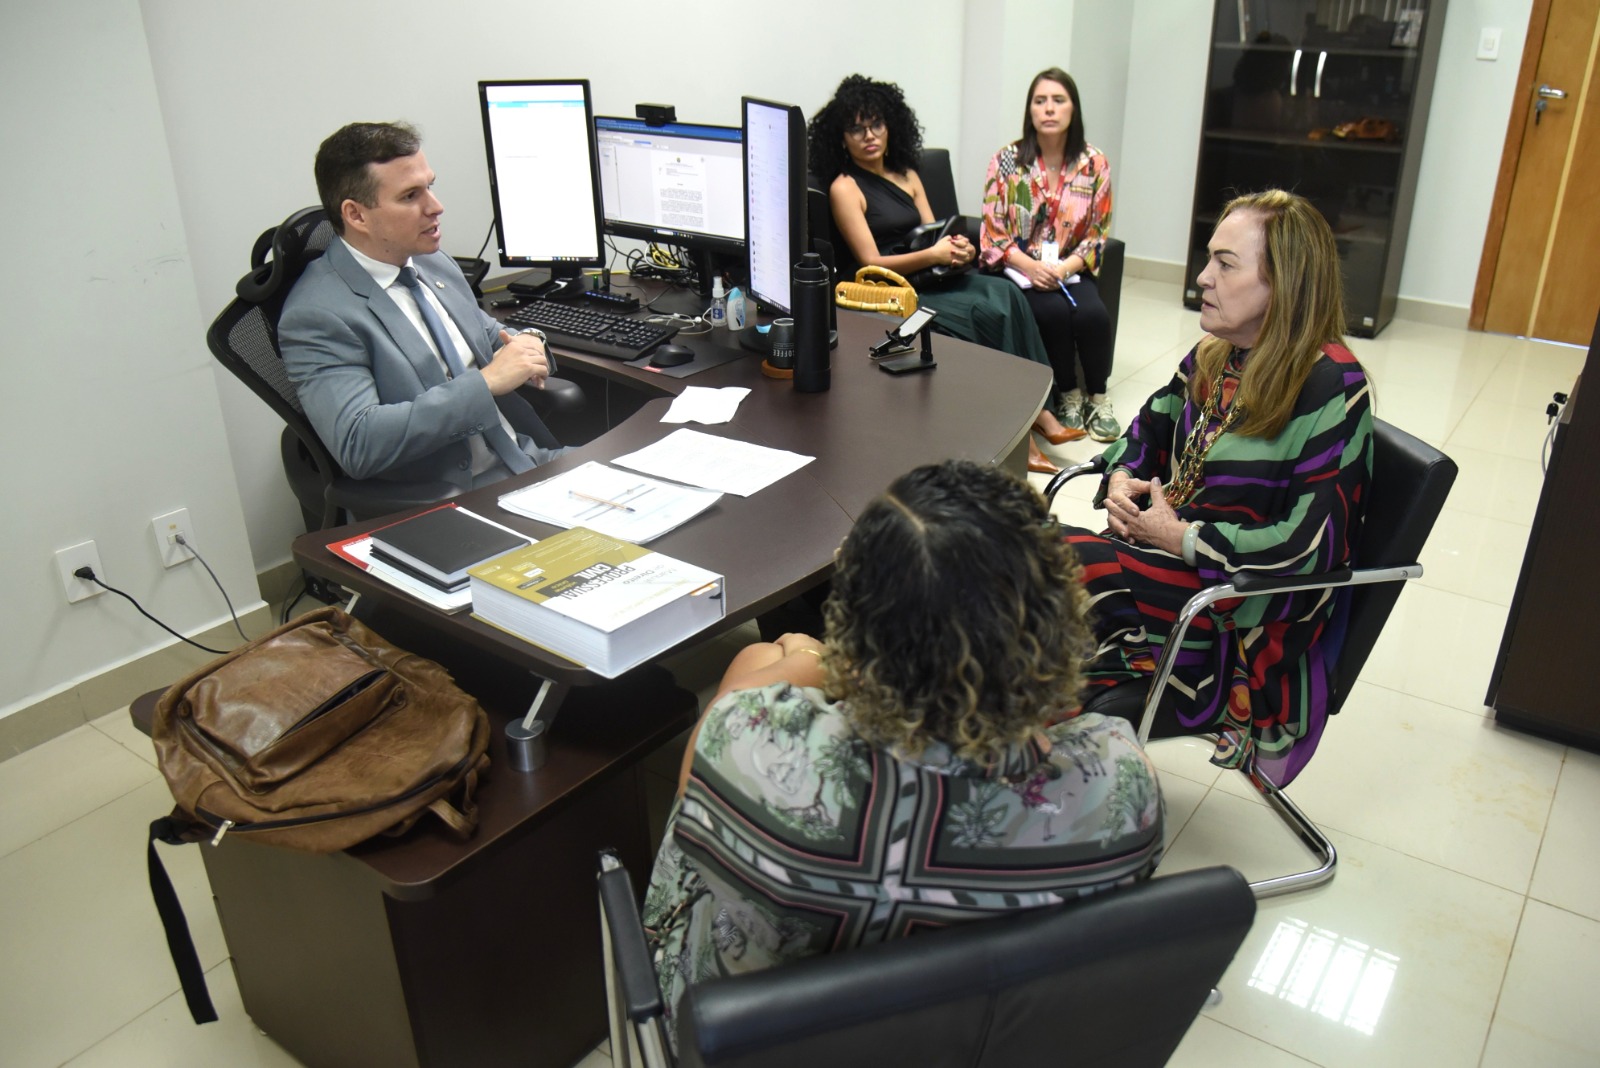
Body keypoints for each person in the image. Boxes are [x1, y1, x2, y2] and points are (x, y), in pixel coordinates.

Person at [643, 460, 1164, 1040]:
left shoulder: (750, 743)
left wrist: (810, 656)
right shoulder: (1125, 784)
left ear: (857, 629)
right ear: (1056, 627)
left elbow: (733, 705)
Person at [1062, 189, 1374, 786]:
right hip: (1166, 582)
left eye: (1225, 264)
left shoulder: (1332, 387)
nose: (1203, 277)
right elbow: (1145, 429)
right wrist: (1124, 477)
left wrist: (1180, 536)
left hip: (1240, 622)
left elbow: (1309, 550)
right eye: (1209, 259)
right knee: (1026, 571)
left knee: (1051, 564)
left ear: (1285, 282)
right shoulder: (1216, 356)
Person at [808, 74, 1074, 475]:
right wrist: (934, 252)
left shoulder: (907, 173)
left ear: (890, 124)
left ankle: (1042, 414)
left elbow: (936, 232)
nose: (869, 136)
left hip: (931, 275)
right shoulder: (846, 187)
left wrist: (957, 250)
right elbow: (870, 262)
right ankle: (1022, 440)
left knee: (1007, 295)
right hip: (888, 288)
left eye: (876, 124)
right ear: (840, 137)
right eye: (856, 129)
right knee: (982, 315)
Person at [281, 121, 562, 491]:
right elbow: (358, 443)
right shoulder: (318, 314)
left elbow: (495, 341)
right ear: (356, 215)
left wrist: (530, 341)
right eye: (410, 196)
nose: (436, 206)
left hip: (525, 463)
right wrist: (485, 384)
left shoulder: (431, 262)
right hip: (450, 499)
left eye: (430, 186)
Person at [981, 68, 1120, 444]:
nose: (1049, 109)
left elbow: (1097, 234)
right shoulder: (1008, 160)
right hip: (1021, 269)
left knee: (1093, 314)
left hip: (1069, 267)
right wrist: (1032, 267)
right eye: (1040, 101)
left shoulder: (1094, 163)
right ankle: (1069, 395)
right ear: (1030, 110)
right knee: (1053, 312)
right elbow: (993, 232)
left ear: (1073, 108)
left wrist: (1062, 268)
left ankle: (1098, 397)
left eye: (1058, 100)